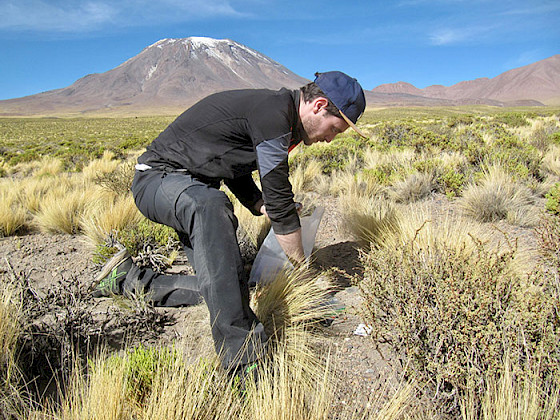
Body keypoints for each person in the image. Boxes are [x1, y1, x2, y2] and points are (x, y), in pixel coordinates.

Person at [93, 71, 366, 373]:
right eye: (334, 129)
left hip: (190, 186)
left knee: (226, 287)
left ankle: (126, 280)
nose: (330, 140)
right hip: (157, 179)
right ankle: (243, 359)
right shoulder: (274, 112)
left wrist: (258, 203)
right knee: (211, 204)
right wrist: (302, 279)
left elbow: (231, 163)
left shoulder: (280, 116)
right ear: (319, 105)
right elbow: (280, 200)